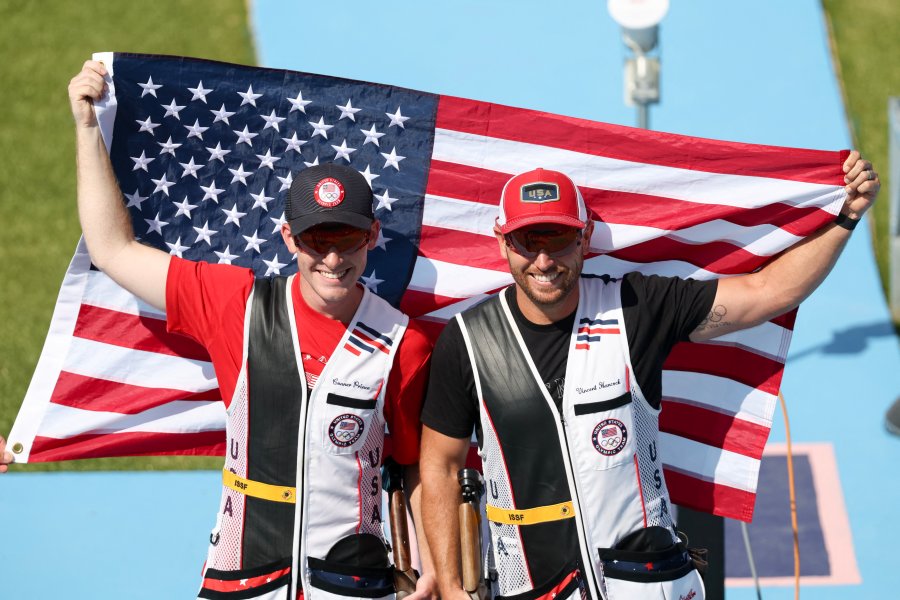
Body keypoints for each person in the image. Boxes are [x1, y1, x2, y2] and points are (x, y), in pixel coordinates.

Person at [0, 60, 436, 600]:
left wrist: (437, 566)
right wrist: (88, 130)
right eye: (313, 241)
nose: (331, 258)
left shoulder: (404, 341)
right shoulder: (236, 304)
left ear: (371, 235)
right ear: (287, 238)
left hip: (353, 584)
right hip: (241, 579)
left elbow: (418, 467)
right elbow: (113, 250)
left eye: (346, 240)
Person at [419, 161, 879, 600]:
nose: (543, 260)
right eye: (526, 241)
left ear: (585, 239)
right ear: (502, 243)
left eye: (558, 240)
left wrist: (846, 216)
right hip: (530, 586)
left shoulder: (636, 308)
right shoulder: (465, 342)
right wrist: (450, 581)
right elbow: (439, 465)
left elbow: (768, 292)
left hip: (644, 582)